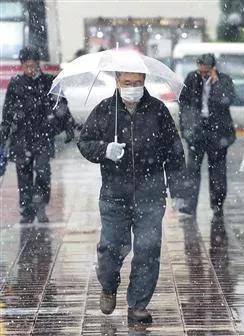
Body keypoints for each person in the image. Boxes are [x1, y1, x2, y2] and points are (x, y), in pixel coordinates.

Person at [78, 71, 184, 324]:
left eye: (137, 83)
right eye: (127, 83)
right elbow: (84, 142)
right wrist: (105, 150)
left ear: (145, 81)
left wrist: (178, 191)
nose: (132, 88)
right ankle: (108, 285)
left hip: (151, 195)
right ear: (117, 82)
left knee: (148, 250)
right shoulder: (105, 110)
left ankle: (138, 304)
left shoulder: (158, 110)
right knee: (111, 248)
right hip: (115, 195)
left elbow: (174, 151)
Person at [0, 47, 75, 223]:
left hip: (43, 135)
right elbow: (8, 111)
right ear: (21, 66)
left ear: (38, 64)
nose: (30, 69)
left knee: (43, 172)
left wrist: (68, 125)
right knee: (23, 174)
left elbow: (61, 105)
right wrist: (4, 132)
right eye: (26, 66)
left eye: (32, 65)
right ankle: (26, 210)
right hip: (22, 137)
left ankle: (40, 205)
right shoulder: (16, 83)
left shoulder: (49, 82)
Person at [178, 53, 236, 223]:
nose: (203, 75)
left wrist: (216, 83)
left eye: (206, 72)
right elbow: (184, 104)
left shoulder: (223, 80)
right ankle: (189, 204)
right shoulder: (191, 79)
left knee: (217, 171)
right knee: (192, 170)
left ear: (213, 69)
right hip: (197, 131)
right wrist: (186, 129)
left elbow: (226, 100)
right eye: (200, 71)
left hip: (217, 132)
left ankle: (217, 205)